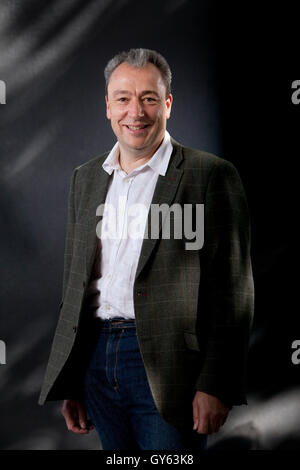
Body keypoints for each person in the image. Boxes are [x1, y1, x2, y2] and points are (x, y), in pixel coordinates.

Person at [38, 48, 254, 451]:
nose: (135, 112)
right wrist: (70, 378)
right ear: (107, 106)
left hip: (171, 368)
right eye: (123, 98)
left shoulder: (210, 176)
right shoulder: (84, 179)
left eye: (149, 98)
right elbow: (77, 287)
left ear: (167, 104)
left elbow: (233, 291)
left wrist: (216, 384)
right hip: (96, 363)